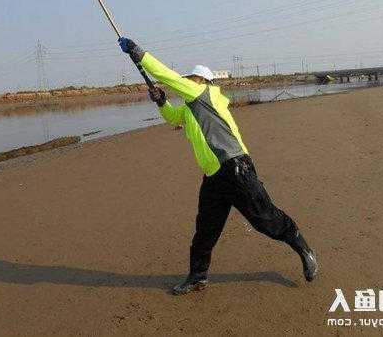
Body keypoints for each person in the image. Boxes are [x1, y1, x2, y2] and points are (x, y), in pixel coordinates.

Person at [118, 37, 317, 295]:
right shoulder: (191, 109)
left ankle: (303, 248)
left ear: (202, 81)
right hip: (214, 176)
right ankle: (197, 277)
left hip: (236, 168)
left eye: (191, 78)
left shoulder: (206, 94)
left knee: (264, 219)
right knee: (205, 230)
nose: (187, 82)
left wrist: (138, 53)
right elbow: (173, 119)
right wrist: (161, 102)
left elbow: (167, 76)